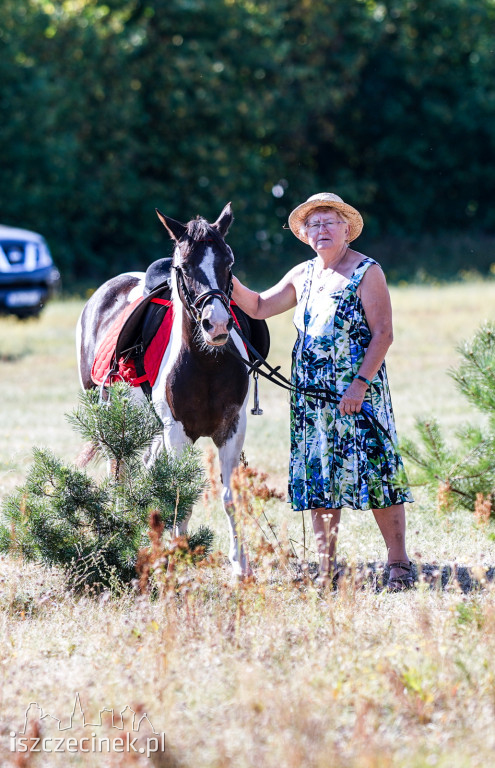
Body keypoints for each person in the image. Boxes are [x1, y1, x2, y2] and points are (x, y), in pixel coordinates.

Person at [231, 192, 414, 591]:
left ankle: (398, 562)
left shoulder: (367, 271)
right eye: (313, 224)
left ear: (346, 229)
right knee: (319, 479)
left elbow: (383, 334)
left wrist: (360, 385)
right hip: (311, 400)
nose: (322, 229)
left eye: (329, 221)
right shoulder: (304, 274)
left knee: (377, 472)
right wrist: (223, 276)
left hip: (357, 395)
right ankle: (326, 565)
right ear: (305, 234)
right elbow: (260, 306)